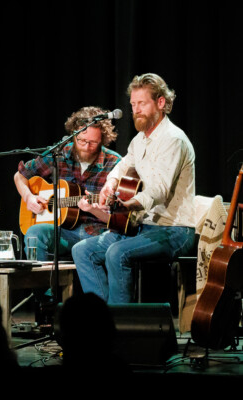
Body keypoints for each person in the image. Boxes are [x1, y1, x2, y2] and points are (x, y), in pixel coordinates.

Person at [72, 73, 196, 304]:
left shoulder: (173, 139)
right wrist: (109, 186)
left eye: (142, 103)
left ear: (160, 103)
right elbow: (120, 169)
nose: (136, 110)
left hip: (175, 229)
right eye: (133, 105)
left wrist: (127, 205)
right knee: (82, 251)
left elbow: (158, 191)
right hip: (143, 227)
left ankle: (120, 328)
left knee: (117, 253)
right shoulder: (139, 141)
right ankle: (103, 319)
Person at [14, 106, 122, 263]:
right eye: (82, 140)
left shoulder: (115, 163)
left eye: (93, 142)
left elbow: (120, 219)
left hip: (97, 234)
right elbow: (20, 175)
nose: (86, 147)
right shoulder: (60, 153)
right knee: (34, 233)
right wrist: (29, 197)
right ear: (74, 135)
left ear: (103, 140)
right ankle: (43, 287)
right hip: (63, 232)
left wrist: (98, 208)